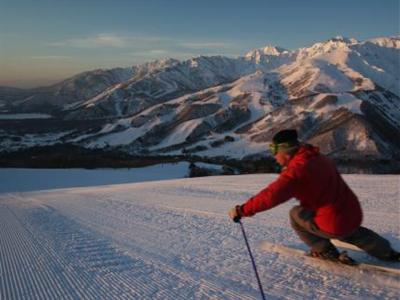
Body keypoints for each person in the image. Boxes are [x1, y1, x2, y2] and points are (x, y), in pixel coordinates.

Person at [228, 129, 399, 263]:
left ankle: (324, 250)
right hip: (353, 213)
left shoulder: (297, 171)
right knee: (350, 230)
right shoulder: (317, 157)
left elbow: (270, 196)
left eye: (273, 149)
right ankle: (386, 251)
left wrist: (242, 210)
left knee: (296, 214)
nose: (273, 155)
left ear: (285, 150)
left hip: (334, 222)